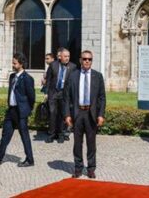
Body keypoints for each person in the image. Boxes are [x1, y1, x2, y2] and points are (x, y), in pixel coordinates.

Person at [0, 53, 36, 167]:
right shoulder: (12, 76)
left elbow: (32, 97)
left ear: (21, 64)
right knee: (5, 134)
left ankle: (30, 159)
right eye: (13, 62)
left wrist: (27, 110)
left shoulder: (28, 79)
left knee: (24, 136)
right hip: (11, 111)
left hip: (21, 112)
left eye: (15, 63)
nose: (13, 65)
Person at [63, 50, 106, 179]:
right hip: (77, 113)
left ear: (92, 61)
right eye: (85, 59)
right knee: (77, 143)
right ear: (80, 60)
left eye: (89, 59)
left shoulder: (97, 76)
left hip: (91, 114)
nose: (87, 61)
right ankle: (78, 168)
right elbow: (67, 97)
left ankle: (91, 168)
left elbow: (102, 98)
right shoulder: (73, 75)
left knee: (91, 143)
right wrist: (67, 115)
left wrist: (101, 114)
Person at [45, 47, 76, 143]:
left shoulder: (73, 66)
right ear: (60, 57)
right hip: (53, 93)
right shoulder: (53, 65)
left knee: (63, 115)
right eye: (65, 56)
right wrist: (46, 93)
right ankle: (51, 134)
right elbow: (48, 80)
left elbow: (73, 83)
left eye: (68, 56)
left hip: (64, 94)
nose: (67, 58)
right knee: (52, 113)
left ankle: (61, 135)